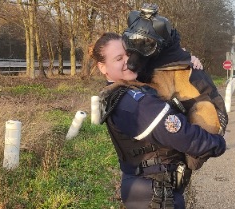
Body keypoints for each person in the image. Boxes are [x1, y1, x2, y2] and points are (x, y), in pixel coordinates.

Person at [91, 32, 226, 209]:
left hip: (153, 191)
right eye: (118, 58)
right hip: (154, 195)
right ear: (103, 67)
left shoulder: (130, 90)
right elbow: (179, 134)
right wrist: (217, 144)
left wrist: (185, 61)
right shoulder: (132, 102)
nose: (128, 61)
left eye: (129, 54)